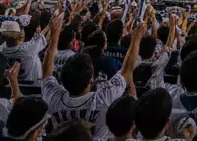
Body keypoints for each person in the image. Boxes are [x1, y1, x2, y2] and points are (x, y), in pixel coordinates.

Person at [40, 11, 145, 140]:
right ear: (91, 81)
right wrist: (136, 39)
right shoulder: (102, 98)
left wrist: (54, 33)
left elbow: (46, 72)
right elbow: (127, 71)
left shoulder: (53, 97)